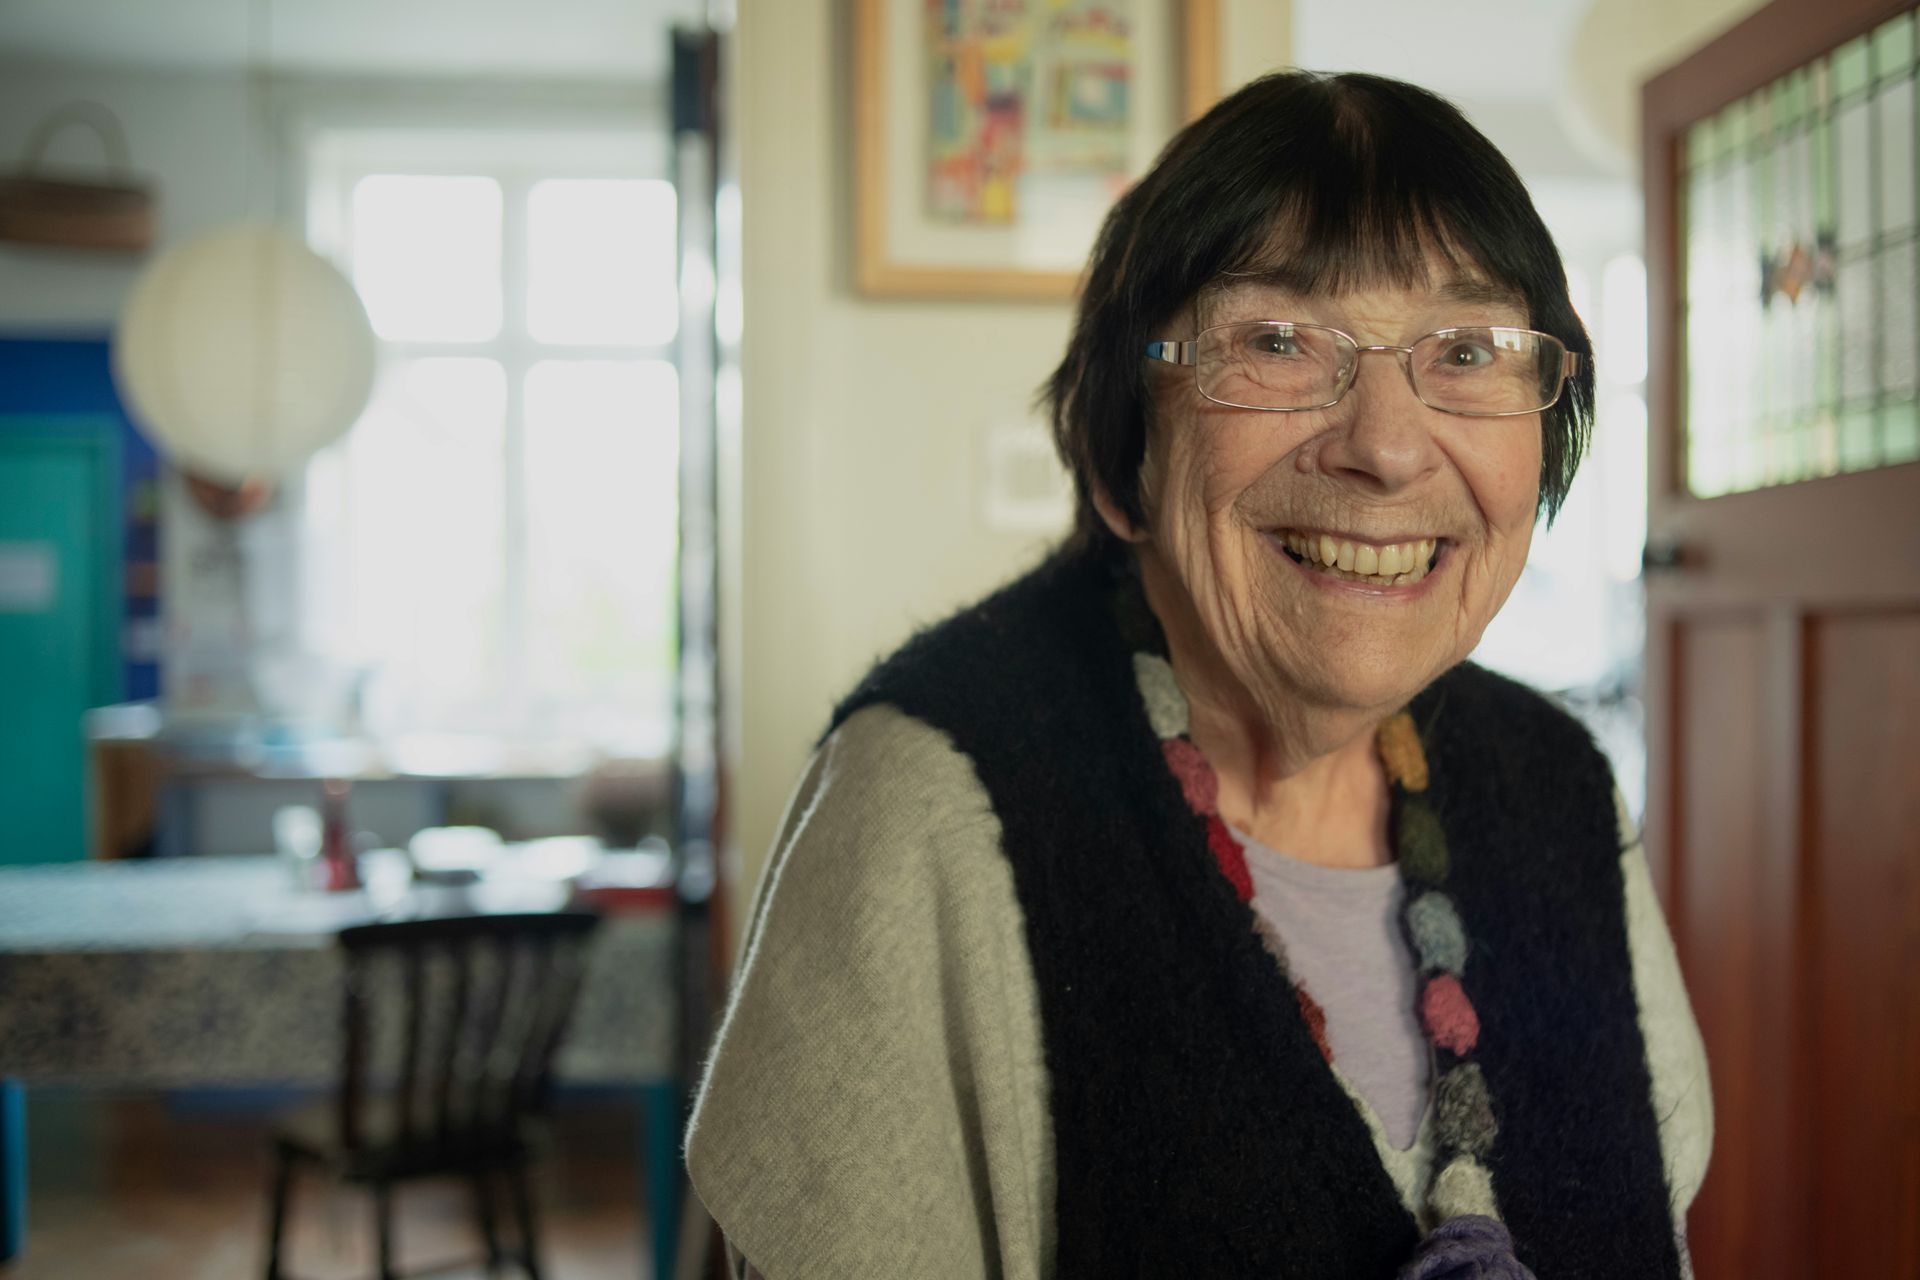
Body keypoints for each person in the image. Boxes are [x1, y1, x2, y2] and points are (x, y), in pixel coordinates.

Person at [685, 70, 1712, 1280]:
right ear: (1129, 439)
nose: (1385, 444)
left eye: (1468, 348)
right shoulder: (932, 797)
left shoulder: (1558, 788)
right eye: (1276, 339)